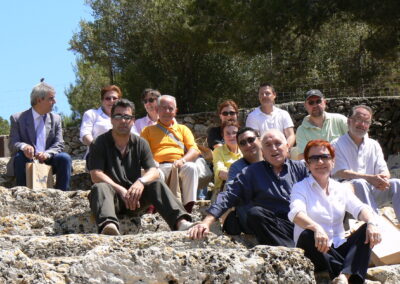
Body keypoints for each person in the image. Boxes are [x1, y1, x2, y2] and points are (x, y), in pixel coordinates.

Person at [88, 99, 193, 235]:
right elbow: (96, 174)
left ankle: (180, 222)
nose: (123, 120)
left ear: (133, 120)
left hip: (134, 200)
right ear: (111, 119)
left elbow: (153, 171)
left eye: (127, 117)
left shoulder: (140, 143)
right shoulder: (99, 143)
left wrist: (141, 182)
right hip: (110, 198)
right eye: (118, 116)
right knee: (99, 187)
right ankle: (109, 225)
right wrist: (119, 189)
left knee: (156, 183)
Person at [189, 129, 308, 247]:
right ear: (263, 150)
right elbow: (229, 195)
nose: (274, 148)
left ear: (287, 146)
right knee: (255, 214)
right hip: (272, 224)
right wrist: (206, 222)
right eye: (268, 145)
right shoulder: (251, 172)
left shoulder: (301, 169)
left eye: (278, 143)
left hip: (300, 222)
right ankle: (292, 250)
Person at [289, 139, 381, 284]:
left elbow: (361, 208)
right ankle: (350, 272)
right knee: (307, 234)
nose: (320, 162)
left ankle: (343, 278)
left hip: (336, 247)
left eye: (325, 157)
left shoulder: (340, 188)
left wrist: (371, 223)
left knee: (366, 230)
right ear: (307, 164)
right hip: (314, 250)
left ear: (332, 162)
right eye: (314, 158)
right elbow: (295, 213)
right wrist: (317, 228)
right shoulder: (300, 187)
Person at [332, 105, 400, 221]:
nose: (362, 125)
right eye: (358, 120)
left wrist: (383, 179)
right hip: (348, 191)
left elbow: (383, 169)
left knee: (397, 183)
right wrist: (370, 178)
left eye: (366, 122)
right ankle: (374, 224)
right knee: (360, 183)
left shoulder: (373, 144)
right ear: (349, 121)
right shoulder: (336, 144)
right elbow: (341, 172)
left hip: (372, 188)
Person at [141, 95, 201, 213]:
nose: (167, 111)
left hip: (178, 165)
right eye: (163, 108)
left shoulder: (183, 129)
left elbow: (194, 150)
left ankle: (187, 208)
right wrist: (151, 163)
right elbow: (142, 152)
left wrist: (183, 160)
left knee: (192, 168)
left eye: (170, 108)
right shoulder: (147, 130)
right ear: (157, 110)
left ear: (176, 111)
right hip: (158, 166)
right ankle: (152, 210)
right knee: (152, 173)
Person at [8, 80, 72, 191]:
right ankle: (22, 193)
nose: (55, 101)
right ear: (39, 100)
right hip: (27, 159)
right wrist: (24, 147)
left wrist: (47, 154)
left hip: (49, 159)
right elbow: (13, 142)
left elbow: (59, 143)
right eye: (51, 98)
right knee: (19, 157)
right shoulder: (17, 118)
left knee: (64, 158)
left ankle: (63, 193)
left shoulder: (56, 119)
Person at [80, 85, 138, 159]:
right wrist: (97, 148)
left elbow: (135, 136)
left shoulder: (126, 117)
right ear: (102, 100)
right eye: (108, 98)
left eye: (114, 98)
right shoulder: (91, 114)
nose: (111, 101)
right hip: (97, 155)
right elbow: (85, 134)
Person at [296, 89, 347, 159]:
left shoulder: (340, 120)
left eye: (318, 101)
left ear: (325, 102)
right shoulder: (301, 131)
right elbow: (303, 156)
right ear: (305, 106)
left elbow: (357, 139)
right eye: (311, 102)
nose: (315, 105)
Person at [246, 83, 295, 147]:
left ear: (274, 95)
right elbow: (254, 140)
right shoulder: (252, 117)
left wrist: (286, 149)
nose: (264, 96)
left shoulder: (284, 114)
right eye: (261, 94)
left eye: (267, 93)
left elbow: (291, 135)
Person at [212, 121, 242, 192]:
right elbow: (220, 171)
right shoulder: (218, 151)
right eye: (228, 133)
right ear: (223, 136)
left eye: (234, 133)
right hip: (224, 190)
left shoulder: (245, 150)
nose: (231, 136)